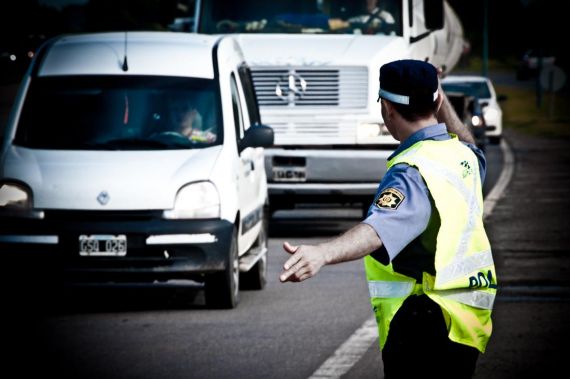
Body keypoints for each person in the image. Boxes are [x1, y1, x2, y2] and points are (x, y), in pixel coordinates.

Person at [279, 59, 497, 378]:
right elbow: (469, 143)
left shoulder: (411, 171)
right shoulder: (463, 158)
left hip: (424, 324)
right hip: (466, 321)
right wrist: (440, 96)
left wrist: (322, 253)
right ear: (436, 100)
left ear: (388, 109)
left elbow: (378, 229)